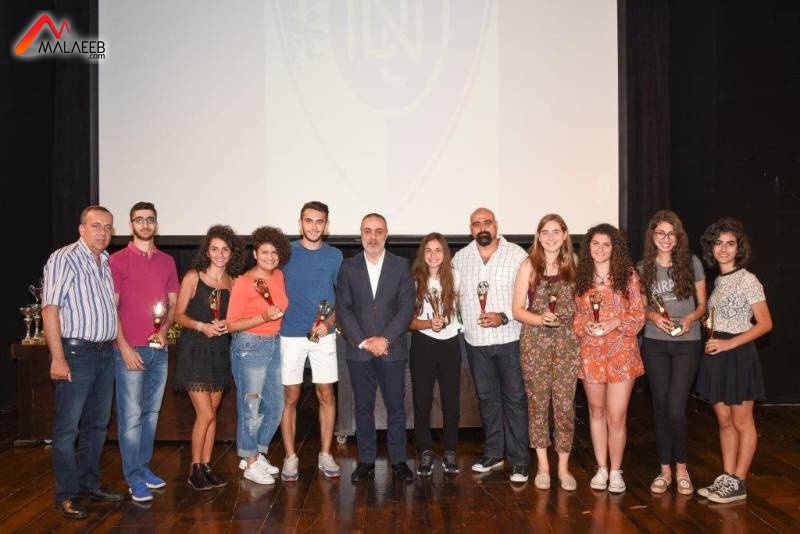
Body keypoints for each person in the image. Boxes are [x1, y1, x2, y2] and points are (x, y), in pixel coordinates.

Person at [41, 205, 124, 519]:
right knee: (67, 430)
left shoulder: (105, 261)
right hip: (75, 354)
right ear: (82, 229)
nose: (103, 232)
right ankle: (66, 495)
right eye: (96, 225)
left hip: (104, 353)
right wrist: (58, 357)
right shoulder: (64, 258)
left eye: (108, 227)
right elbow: (50, 309)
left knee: (97, 426)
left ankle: (90, 484)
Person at [696, 218, 772, 503]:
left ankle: (739, 482)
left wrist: (730, 343)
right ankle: (727, 477)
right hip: (717, 354)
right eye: (718, 243)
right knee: (724, 421)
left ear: (738, 248)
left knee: (742, 422)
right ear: (711, 248)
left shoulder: (748, 280)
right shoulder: (718, 281)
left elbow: (765, 324)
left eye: (730, 244)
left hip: (738, 354)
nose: (724, 249)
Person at [336, 213, 416, 483]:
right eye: (368, 231)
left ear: (386, 235)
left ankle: (399, 461)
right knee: (362, 408)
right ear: (361, 234)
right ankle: (366, 461)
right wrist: (363, 341)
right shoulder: (348, 267)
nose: (373, 236)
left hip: (392, 350)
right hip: (358, 351)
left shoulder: (401, 265)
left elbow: (406, 308)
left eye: (378, 231)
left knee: (396, 408)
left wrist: (385, 339)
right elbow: (343, 308)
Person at [452, 207, 530, 483]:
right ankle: (494, 453)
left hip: (510, 339)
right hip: (476, 342)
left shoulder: (517, 255)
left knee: (515, 399)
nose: (482, 227)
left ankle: (520, 461)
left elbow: (527, 299)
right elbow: (453, 298)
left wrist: (503, 316)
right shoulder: (460, 259)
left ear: (496, 225)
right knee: (487, 399)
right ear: (470, 229)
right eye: (476, 224)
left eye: (487, 222)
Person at [109, 202, 179, 502]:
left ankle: (143, 466)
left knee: (151, 414)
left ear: (156, 224)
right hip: (129, 350)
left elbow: (173, 304)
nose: (145, 224)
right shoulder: (116, 261)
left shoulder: (167, 261)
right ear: (131, 225)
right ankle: (134, 478)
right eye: (139, 220)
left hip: (158, 350)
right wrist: (123, 347)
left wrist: (164, 332)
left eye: (150, 219)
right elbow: (111, 309)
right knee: (131, 417)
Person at [638, 210, 707, 496]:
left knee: (676, 409)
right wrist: (654, 317)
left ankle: (682, 469)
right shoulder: (642, 267)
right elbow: (641, 308)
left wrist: (690, 318)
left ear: (678, 237)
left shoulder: (692, 263)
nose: (666, 239)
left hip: (687, 343)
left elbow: (703, 306)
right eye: (660, 233)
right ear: (652, 237)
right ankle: (665, 471)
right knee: (661, 408)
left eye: (671, 234)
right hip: (655, 343)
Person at [573, 223, 645, 493]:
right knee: (596, 412)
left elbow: (638, 316)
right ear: (588, 247)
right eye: (595, 244)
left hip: (622, 353)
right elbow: (574, 318)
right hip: (591, 353)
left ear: (615, 248)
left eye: (606, 244)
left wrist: (615, 322)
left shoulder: (628, 276)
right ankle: (601, 468)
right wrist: (585, 325)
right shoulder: (580, 277)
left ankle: (616, 471)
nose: (600, 249)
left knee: (616, 416)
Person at [512, 214, 580, 491]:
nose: (550, 237)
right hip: (535, 343)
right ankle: (543, 466)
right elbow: (517, 310)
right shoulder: (528, 265)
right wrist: (540, 319)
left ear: (565, 235)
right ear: (538, 236)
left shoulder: (574, 263)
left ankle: (563, 467)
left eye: (556, 232)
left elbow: (584, 304)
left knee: (564, 406)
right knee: (538, 405)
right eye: (545, 232)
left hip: (567, 343)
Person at [174, 225, 244, 490]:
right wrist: (202, 326)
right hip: (194, 349)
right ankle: (194, 468)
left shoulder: (233, 283)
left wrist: (228, 325)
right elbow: (178, 316)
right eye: (214, 249)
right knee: (204, 413)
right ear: (207, 251)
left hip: (220, 351)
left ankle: (206, 466)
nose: (219, 254)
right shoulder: (194, 277)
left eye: (225, 249)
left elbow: (236, 317)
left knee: (212, 414)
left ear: (231, 253)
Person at [279, 202, 343, 481]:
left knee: (326, 394)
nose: (314, 226)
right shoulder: (285, 253)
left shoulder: (335, 256)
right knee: (290, 396)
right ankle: (290, 457)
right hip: (290, 334)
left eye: (319, 221)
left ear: (326, 225)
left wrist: (329, 323)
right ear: (300, 223)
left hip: (323, 335)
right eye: (309, 221)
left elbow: (343, 298)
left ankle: (325, 454)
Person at [225, 226, 291, 485]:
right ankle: (250, 462)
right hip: (249, 346)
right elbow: (231, 325)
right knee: (251, 407)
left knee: (275, 407)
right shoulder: (244, 282)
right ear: (255, 253)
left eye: (275, 252)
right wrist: (262, 317)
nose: (270, 257)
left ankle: (254, 452)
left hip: (274, 344)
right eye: (265, 252)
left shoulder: (279, 276)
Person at [408, 233, 462, 476]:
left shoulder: (456, 277)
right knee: (422, 402)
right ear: (422, 254)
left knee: (451, 402)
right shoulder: (413, 280)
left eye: (438, 250)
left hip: (450, 344)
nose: (433, 255)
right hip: (423, 344)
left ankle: (450, 450)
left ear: (445, 253)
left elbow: (463, 310)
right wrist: (430, 324)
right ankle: (425, 451)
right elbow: (407, 321)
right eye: (428, 250)